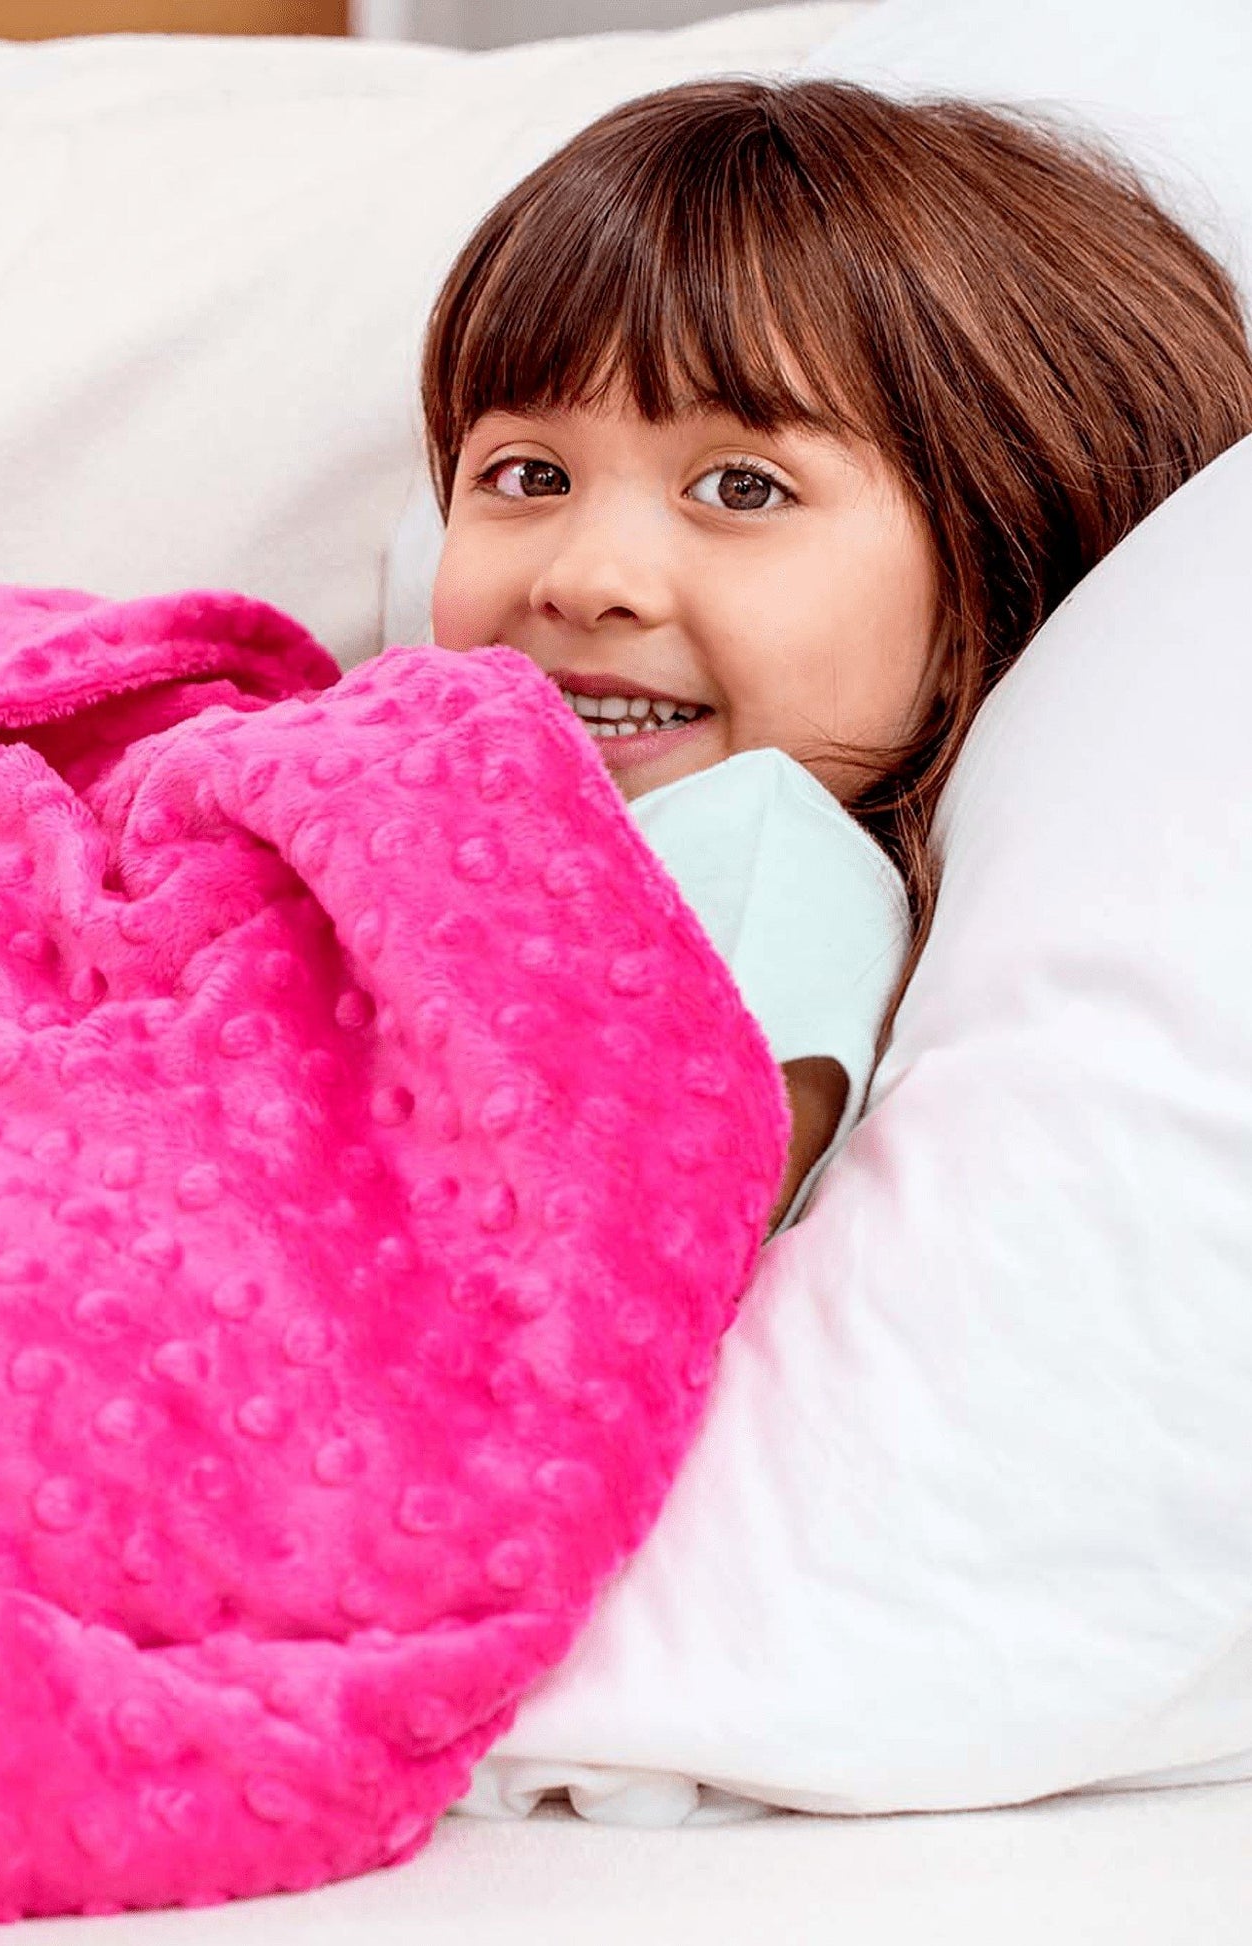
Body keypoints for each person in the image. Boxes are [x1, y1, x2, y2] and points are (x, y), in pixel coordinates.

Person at [417, 76, 1252, 1233]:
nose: (584, 576)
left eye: (740, 487)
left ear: (990, 590)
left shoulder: (756, 870)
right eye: (528, 474)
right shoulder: (423, 776)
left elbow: (586, 1250)